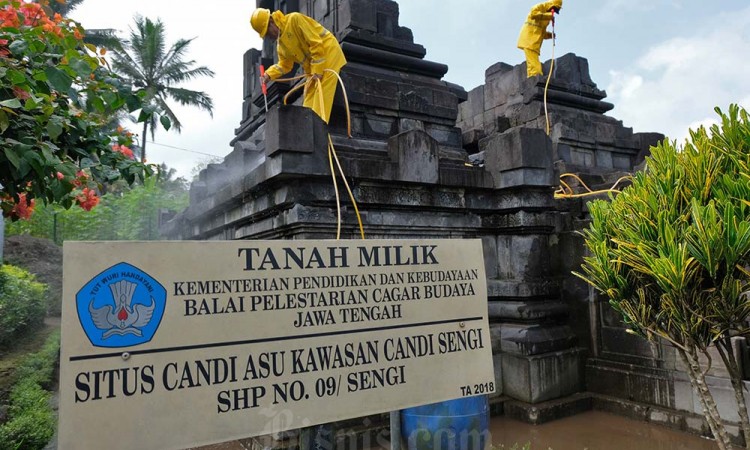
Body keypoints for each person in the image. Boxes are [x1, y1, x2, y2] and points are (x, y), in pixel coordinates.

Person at [250, 8, 346, 123]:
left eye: (267, 32)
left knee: (320, 103)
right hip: (313, 69)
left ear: (271, 21)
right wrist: (268, 75)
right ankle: (308, 132)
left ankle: (318, 132)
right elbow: (285, 65)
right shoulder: (281, 46)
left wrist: (318, 70)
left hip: (329, 56)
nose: (268, 37)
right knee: (307, 107)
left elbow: (315, 43)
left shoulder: (295, 19)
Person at [517, 0, 562, 78]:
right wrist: (548, 16)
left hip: (535, 42)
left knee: (533, 60)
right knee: (533, 61)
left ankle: (535, 76)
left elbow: (542, 32)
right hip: (529, 40)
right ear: (551, 5)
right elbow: (533, 15)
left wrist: (550, 35)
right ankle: (535, 77)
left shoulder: (546, 19)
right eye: (554, 9)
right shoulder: (539, 7)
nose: (553, 12)